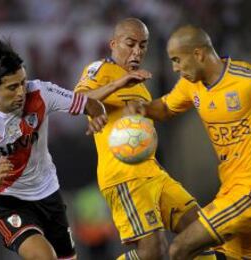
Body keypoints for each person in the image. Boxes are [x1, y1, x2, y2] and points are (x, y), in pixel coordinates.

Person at [0, 28, 107, 260]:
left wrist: (97, 115)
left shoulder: (41, 92)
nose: (21, 92)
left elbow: (90, 104)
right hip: (5, 197)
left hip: (47, 192)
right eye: (12, 87)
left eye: (22, 82)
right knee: (43, 257)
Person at [126, 24, 251, 260]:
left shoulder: (249, 79)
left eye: (177, 60)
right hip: (231, 190)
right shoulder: (191, 86)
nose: (175, 68)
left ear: (198, 54)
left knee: (180, 248)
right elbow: (165, 108)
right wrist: (142, 108)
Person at [75, 18, 216, 260]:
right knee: (153, 253)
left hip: (153, 173)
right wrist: (120, 82)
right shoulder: (99, 69)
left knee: (200, 234)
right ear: (113, 43)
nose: (137, 51)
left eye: (143, 45)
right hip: (124, 176)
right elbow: (78, 102)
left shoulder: (141, 86)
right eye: (130, 44)